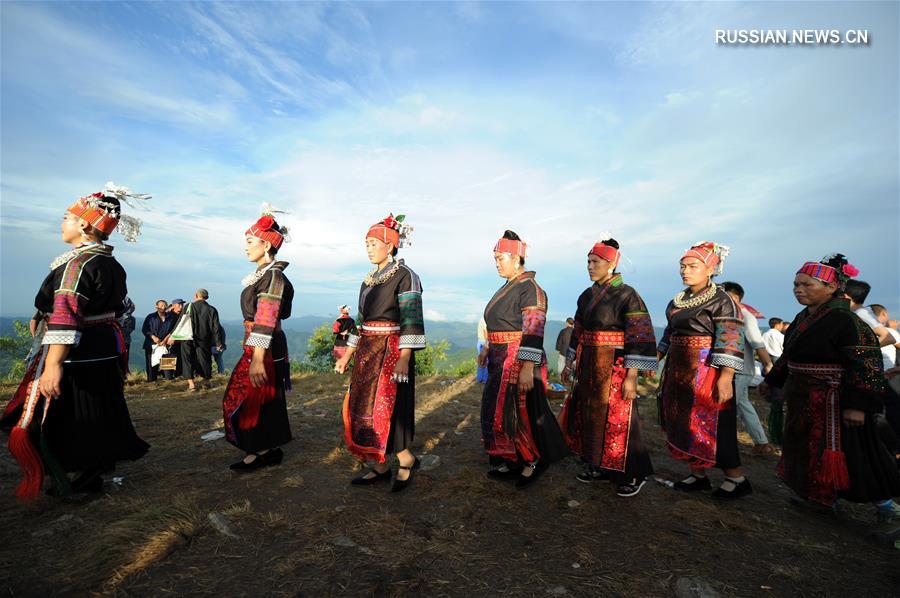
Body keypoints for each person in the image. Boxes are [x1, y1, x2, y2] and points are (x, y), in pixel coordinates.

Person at [1, 182, 150, 498]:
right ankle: (93, 467)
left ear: (84, 224)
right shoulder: (108, 263)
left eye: (67, 216)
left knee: (73, 413)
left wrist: (53, 363)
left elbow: (67, 314)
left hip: (76, 352)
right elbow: (121, 308)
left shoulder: (78, 265)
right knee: (99, 406)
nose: (62, 222)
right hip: (102, 348)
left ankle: (82, 471)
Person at [760, 254, 900, 523]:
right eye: (795, 284)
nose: (798, 289)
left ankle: (887, 508)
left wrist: (858, 406)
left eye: (806, 284)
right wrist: (771, 381)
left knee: (853, 452)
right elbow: (789, 356)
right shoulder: (803, 318)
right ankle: (822, 498)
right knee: (809, 449)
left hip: (836, 401)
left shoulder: (848, 321)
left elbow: (866, 365)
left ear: (831, 287)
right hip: (804, 398)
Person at [558, 237, 658, 496]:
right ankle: (599, 465)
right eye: (588, 262)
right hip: (589, 365)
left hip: (616, 367)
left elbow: (638, 336)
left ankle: (633, 473)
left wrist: (631, 376)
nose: (590, 266)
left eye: (596, 262)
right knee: (591, 415)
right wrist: (570, 362)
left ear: (612, 263)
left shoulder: (628, 295)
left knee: (620, 418)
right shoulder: (586, 295)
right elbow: (578, 331)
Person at [335, 214, 425, 492]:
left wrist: (405, 357)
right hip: (367, 352)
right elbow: (361, 322)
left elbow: (411, 318)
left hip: (392, 351)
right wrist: (347, 355)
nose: (369, 248)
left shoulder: (406, 276)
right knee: (363, 407)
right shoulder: (368, 280)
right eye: (367, 244)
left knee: (389, 409)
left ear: (390, 244)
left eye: (374, 243)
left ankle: (406, 459)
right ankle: (380, 464)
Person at [657, 241, 751, 498]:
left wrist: (726, 377)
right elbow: (669, 332)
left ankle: (737, 478)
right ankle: (698, 474)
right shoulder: (678, 301)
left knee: (713, 423)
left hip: (707, 370)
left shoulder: (723, 301)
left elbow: (730, 339)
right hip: (679, 369)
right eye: (682, 266)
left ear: (710, 268)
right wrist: (657, 356)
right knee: (682, 419)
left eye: (692, 266)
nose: (685, 271)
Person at [478, 231, 568, 488]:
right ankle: (513, 458)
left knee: (519, 411)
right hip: (498, 356)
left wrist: (528, 366)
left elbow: (534, 330)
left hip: (518, 358)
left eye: (500, 258)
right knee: (497, 409)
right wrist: (486, 347)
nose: (496, 263)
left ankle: (533, 460)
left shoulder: (531, 290)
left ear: (517, 258)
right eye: (495, 258)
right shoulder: (509, 287)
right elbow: (497, 323)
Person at [222, 206, 294, 472]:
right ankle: (267, 448)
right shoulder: (265, 276)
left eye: (250, 242)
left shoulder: (273, 277)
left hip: (262, 345)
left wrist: (258, 358)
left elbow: (266, 319)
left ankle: (260, 450)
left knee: (244, 396)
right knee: (262, 397)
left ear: (266, 245)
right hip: (258, 343)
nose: (245, 247)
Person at [722, 282, 774, 455]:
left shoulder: (745, 315)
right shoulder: (729, 314)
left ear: (735, 297)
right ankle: (762, 443)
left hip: (740, 370)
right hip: (736, 369)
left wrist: (767, 364)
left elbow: (757, 343)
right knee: (743, 405)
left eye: (723, 295)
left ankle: (718, 444)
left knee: (726, 407)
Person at [183, 289, 222, 391]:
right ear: (207, 297)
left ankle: (191, 384)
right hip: (205, 338)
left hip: (188, 337)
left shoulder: (189, 306)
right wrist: (218, 342)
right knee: (205, 359)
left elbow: (180, 322)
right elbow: (216, 327)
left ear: (196, 295)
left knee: (187, 358)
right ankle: (206, 381)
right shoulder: (212, 309)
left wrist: (172, 336)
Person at [762, 317, 789, 445]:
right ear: (778, 324)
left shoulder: (765, 334)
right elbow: (785, 350)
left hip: (768, 358)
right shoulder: (779, 335)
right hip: (779, 360)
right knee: (779, 387)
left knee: (770, 383)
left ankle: (772, 399)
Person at [844, 280, 893, 348]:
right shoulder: (859, 312)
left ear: (845, 296)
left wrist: (861, 351)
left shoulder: (862, 313)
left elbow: (888, 338)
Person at [141, 299, 177, 382]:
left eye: (164, 305)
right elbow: (145, 329)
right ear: (156, 307)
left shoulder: (170, 318)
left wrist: (166, 339)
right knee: (151, 365)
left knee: (168, 366)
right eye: (161, 306)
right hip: (152, 344)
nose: (163, 307)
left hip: (166, 344)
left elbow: (173, 330)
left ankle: (168, 379)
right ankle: (151, 381)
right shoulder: (151, 317)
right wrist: (153, 337)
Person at [164, 298, 187, 378]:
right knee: (169, 357)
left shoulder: (183, 315)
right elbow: (167, 329)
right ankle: (168, 377)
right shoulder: (169, 316)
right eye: (179, 304)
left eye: (182, 305)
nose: (181, 306)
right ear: (173, 306)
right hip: (169, 341)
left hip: (180, 341)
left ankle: (179, 374)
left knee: (180, 358)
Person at [476, 317, 489, 383]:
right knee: (486, 361)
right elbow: (486, 333)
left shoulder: (481, 319)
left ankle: (479, 378)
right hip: (484, 342)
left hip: (480, 341)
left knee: (481, 361)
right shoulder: (484, 320)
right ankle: (485, 379)